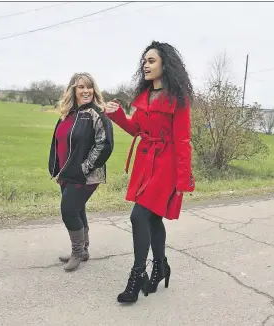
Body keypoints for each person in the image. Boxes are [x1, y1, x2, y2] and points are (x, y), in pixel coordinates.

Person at [105, 41, 195, 303]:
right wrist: (119, 115)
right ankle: (160, 266)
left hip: (165, 167)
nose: (145, 64)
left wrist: (182, 180)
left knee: (138, 217)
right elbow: (137, 130)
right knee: (153, 219)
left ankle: (137, 276)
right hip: (145, 165)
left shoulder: (178, 100)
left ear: (165, 64)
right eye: (144, 61)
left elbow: (182, 141)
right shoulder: (144, 97)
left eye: (151, 60)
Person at [48, 72, 114, 272]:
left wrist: (84, 168)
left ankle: (77, 252)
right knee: (77, 209)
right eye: (80, 87)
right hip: (66, 173)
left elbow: (105, 145)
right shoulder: (67, 114)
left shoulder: (97, 114)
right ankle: (83, 250)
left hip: (85, 175)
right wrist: (57, 167)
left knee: (68, 211)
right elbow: (59, 142)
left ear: (94, 90)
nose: (85, 91)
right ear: (73, 90)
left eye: (89, 87)